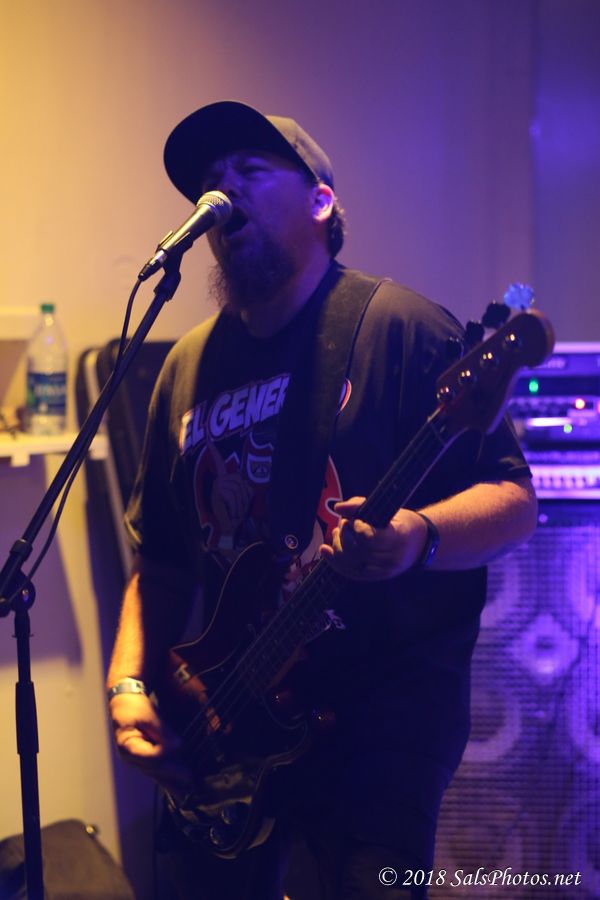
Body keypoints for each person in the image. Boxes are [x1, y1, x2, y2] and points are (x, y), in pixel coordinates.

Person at [106, 101, 537, 899]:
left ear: (320, 201)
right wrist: (128, 683)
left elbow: (514, 498)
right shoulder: (185, 368)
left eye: (249, 168)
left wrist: (417, 536)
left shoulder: (397, 328)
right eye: (209, 179)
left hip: (380, 731)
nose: (222, 188)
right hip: (226, 725)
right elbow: (160, 562)